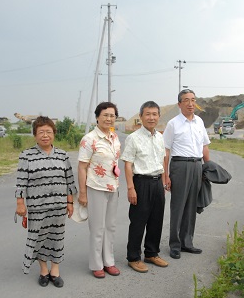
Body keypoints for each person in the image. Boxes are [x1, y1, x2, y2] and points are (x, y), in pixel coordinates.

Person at [15, 116, 76, 288]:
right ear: (35, 135)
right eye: (41, 132)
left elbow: (69, 181)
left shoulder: (63, 155)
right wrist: (21, 204)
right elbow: (21, 182)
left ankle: (55, 270)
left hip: (58, 206)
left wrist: (70, 202)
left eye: (48, 132)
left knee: (57, 237)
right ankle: (43, 270)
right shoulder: (26, 156)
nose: (45, 135)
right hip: (36, 207)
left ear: (54, 134)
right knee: (38, 237)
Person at [120, 101, 168, 273]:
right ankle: (133, 257)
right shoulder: (133, 138)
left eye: (155, 114)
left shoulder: (160, 137)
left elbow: (162, 160)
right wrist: (131, 188)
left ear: (159, 117)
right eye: (147, 114)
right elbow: (127, 165)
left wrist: (163, 182)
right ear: (140, 117)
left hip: (157, 183)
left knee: (156, 220)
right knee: (138, 221)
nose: (151, 117)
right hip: (141, 183)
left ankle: (151, 253)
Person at [163, 89, 210, 259]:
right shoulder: (173, 124)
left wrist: (207, 167)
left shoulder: (199, 122)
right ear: (179, 104)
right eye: (186, 100)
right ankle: (175, 245)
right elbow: (166, 151)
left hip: (197, 165)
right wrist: (166, 175)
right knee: (178, 206)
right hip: (180, 166)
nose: (191, 104)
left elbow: (204, 146)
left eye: (193, 100)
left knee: (191, 206)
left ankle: (187, 242)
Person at [78, 102, 122, 279]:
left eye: (112, 115)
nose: (109, 118)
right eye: (105, 115)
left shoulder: (114, 137)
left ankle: (109, 262)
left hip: (113, 187)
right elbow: (82, 167)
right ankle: (97, 264)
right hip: (95, 187)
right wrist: (82, 193)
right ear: (97, 116)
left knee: (110, 226)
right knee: (97, 228)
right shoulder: (89, 139)